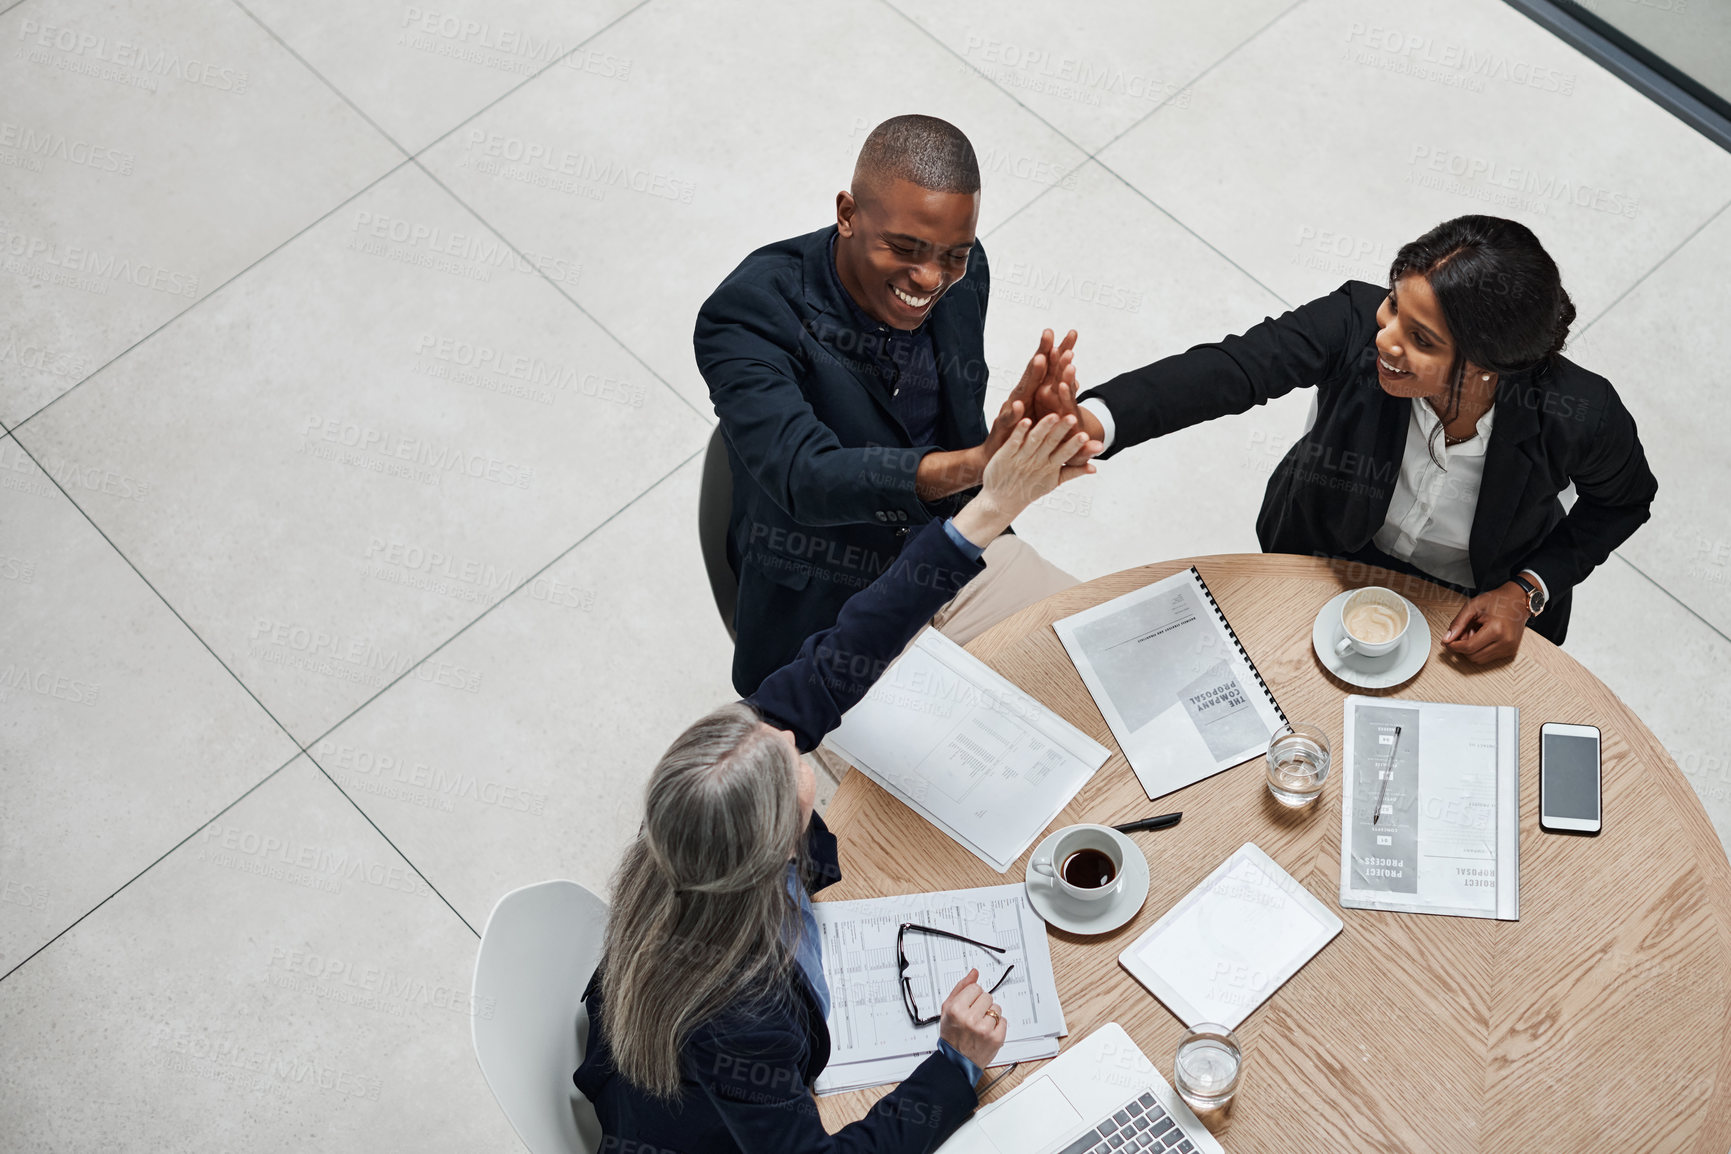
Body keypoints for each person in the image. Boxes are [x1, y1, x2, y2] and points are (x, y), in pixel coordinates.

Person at [573, 413, 1094, 1152]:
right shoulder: (743, 1016)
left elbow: (855, 641)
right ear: (774, 846)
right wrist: (953, 1065)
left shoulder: (703, 823)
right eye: (788, 761)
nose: (790, 732)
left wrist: (991, 508)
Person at [1040, 214, 1656, 661]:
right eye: (1393, 307)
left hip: (1476, 593)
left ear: (1489, 363)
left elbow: (1624, 501)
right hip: (1331, 550)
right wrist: (1092, 422)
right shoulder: (1354, 323)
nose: (1387, 339)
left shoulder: (1579, 412)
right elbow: (1233, 370)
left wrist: (1527, 589)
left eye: (1423, 340)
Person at [697, 113, 1094, 695]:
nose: (930, 278)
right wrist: (976, 463)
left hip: (957, 557)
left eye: (951, 254)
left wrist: (1027, 442)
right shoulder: (750, 312)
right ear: (848, 214)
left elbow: (953, 427)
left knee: (1104, 668)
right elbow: (804, 475)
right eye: (904, 248)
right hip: (830, 611)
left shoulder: (966, 272)